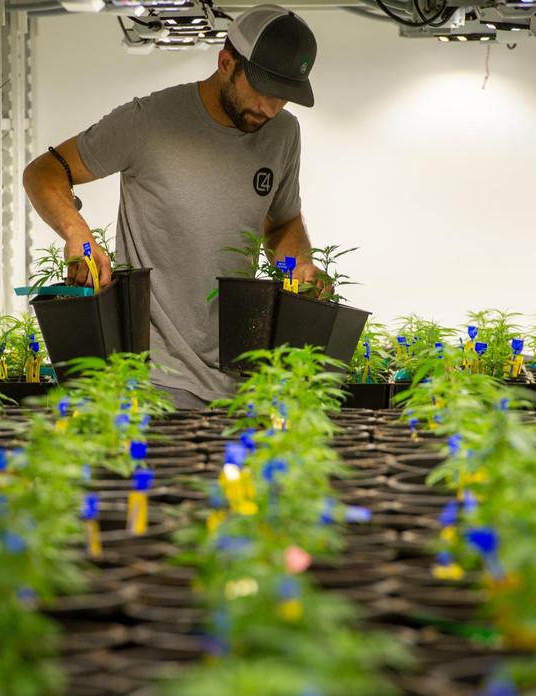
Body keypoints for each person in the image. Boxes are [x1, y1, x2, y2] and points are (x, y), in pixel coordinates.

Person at [23, 4, 327, 409]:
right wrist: (78, 234)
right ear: (225, 63)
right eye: (263, 91)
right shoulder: (149, 121)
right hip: (151, 381)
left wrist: (301, 266)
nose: (271, 109)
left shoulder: (283, 133)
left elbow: (282, 220)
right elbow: (44, 172)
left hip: (239, 381)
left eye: (284, 99)